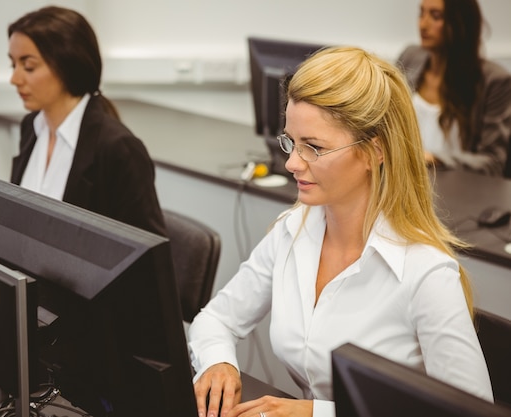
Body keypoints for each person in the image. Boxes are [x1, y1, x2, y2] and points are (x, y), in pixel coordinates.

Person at [188, 46, 493, 417]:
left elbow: (469, 414)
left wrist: (319, 413)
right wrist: (218, 362)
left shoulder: (425, 274)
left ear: (373, 152)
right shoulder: (294, 230)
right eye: (290, 141)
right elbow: (216, 318)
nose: (291, 162)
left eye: (313, 148)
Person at [0, 6, 166, 284]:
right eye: (13, 64)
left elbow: (142, 269)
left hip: (87, 319)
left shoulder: (118, 148)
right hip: (39, 304)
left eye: (28, 66)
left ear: (68, 64)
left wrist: (33, 275)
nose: (15, 78)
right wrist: (2, 258)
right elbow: (38, 238)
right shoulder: (32, 127)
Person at [397, 0, 511, 175]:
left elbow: (493, 161)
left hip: (457, 189)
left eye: (436, 16)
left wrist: (435, 159)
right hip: (404, 178)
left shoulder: (494, 81)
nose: (423, 24)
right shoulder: (410, 57)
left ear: (459, 23)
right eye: (421, 13)